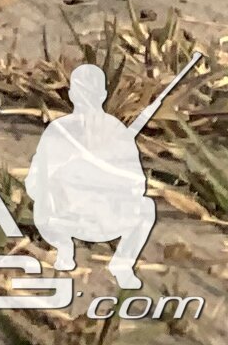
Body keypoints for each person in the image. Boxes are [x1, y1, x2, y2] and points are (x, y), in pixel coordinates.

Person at [28, 65, 157, 288]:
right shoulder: (59, 130)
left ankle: (122, 264)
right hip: (65, 216)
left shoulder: (116, 131)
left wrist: (109, 183)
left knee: (146, 207)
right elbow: (36, 180)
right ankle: (64, 249)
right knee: (43, 198)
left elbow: (137, 184)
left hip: (104, 216)